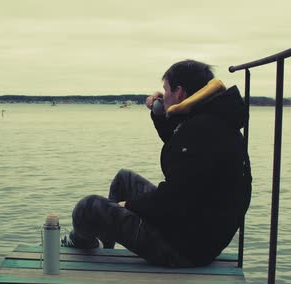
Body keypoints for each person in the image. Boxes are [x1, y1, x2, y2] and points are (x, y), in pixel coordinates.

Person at [61, 59, 252, 267]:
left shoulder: (201, 130)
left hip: (183, 249)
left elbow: (172, 200)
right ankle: (107, 249)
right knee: (123, 180)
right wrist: (159, 114)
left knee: (88, 207)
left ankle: (80, 242)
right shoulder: (213, 121)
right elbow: (181, 150)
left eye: (166, 89)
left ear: (179, 92)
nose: (163, 95)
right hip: (197, 233)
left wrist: (128, 206)